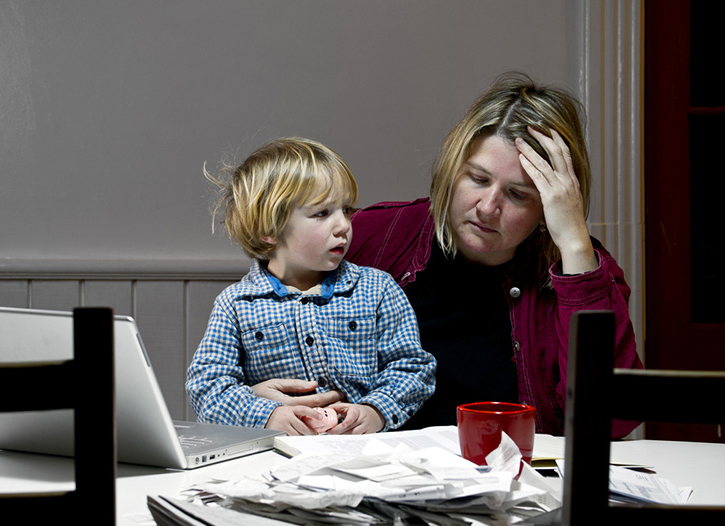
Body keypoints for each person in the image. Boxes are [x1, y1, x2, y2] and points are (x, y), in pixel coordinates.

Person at [344, 73, 641, 438]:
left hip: (518, 480)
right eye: (478, 179)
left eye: (518, 195)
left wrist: (577, 247)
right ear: (452, 169)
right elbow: (271, 324)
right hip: (378, 475)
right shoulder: (375, 237)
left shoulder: (583, 269)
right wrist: (255, 392)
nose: (487, 208)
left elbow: (614, 418)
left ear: (551, 205)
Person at [186, 137, 435, 436]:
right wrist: (268, 415)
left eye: (346, 210)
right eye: (322, 213)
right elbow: (208, 386)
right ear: (269, 229)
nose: (343, 225)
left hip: (364, 454)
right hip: (274, 456)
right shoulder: (236, 304)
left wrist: (376, 410)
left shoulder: (378, 289)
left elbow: (412, 367)